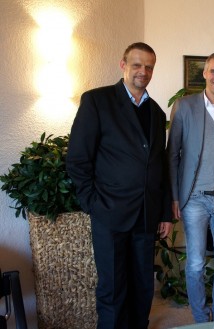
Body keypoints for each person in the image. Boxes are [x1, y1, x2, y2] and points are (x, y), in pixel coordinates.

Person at [66, 42, 173, 329]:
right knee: (113, 288)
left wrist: (164, 212)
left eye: (149, 66)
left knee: (142, 286)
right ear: (123, 65)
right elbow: (77, 159)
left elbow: (159, 167)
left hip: (146, 215)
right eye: (137, 65)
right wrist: (92, 203)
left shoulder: (157, 113)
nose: (143, 71)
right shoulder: (97, 101)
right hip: (109, 212)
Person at [167, 52, 214, 323]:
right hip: (195, 199)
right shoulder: (185, 107)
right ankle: (200, 318)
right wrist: (175, 197)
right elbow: (172, 154)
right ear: (204, 73)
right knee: (196, 264)